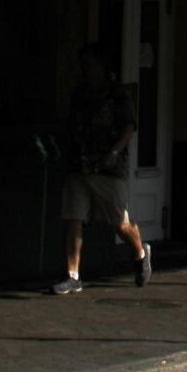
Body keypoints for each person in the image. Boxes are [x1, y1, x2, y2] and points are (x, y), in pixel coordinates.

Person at [55, 40, 150, 293]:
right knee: (73, 218)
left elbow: (129, 126)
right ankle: (72, 275)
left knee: (118, 222)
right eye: (83, 65)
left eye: (90, 64)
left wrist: (114, 151)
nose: (85, 69)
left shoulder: (116, 94)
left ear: (101, 65)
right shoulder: (79, 94)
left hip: (107, 168)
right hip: (79, 164)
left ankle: (140, 253)